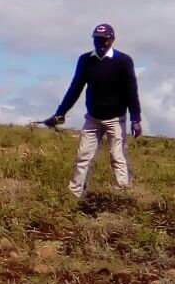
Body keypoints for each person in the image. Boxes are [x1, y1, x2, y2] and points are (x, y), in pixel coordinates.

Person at [42, 23, 143, 198]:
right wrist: (60, 113)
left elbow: (131, 91)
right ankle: (74, 194)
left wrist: (136, 119)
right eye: (97, 40)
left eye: (104, 40)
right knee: (83, 156)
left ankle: (123, 195)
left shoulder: (123, 61)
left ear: (112, 40)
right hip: (93, 118)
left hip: (116, 118)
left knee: (117, 157)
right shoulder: (86, 60)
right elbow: (75, 88)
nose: (101, 43)